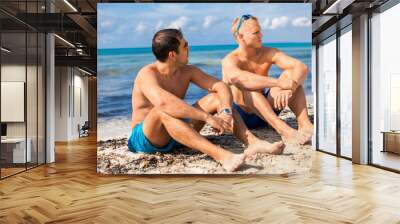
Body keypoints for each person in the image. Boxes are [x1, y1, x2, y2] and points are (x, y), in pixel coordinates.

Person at [128, 28, 284, 172]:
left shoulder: (188, 71)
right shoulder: (147, 74)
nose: (189, 49)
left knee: (216, 98)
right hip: (147, 139)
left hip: (179, 132)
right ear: (172, 55)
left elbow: (220, 85)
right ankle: (222, 156)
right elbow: (164, 103)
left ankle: (252, 143)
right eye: (185, 46)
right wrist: (207, 117)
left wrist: (225, 111)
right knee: (161, 111)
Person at [221, 15, 314, 145]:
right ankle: (284, 131)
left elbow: (301, 66)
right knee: (249, 90)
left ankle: (305, 124)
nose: (261, 35)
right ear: (241, 37)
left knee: (290, 75)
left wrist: (290, 87)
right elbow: (239, 79)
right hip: (243, 116)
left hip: (266, 111)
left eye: (260, 31)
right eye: (256, 32)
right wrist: (280, 83)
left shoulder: (268, 52)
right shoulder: (230, 60)